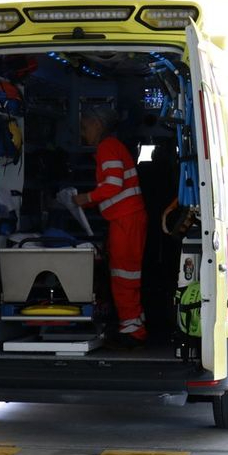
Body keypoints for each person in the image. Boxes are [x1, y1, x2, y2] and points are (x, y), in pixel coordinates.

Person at [73, 107, 148, 348]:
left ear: (97, 124)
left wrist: (85, 199)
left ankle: (131, 331)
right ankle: (134, 323)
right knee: (127, 275)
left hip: (126, 220)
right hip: (127, 219)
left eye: (85, 127)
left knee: (123, 276)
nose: (83, 134)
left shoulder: (107, 147)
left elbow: (113, 184)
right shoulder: (113, 146)